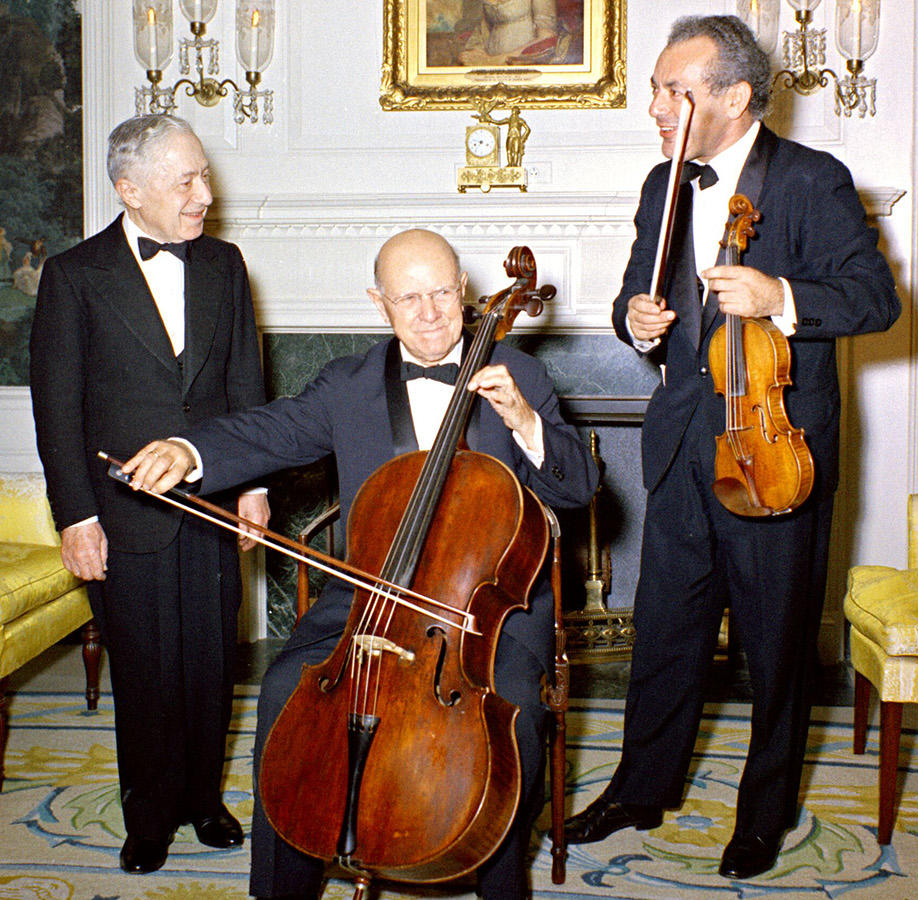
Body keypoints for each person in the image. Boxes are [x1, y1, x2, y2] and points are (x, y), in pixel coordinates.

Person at [120, 228, 599, 900]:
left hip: (487, 614)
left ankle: (499, 884)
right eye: (409, 299)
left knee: (508, 711)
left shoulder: (521, 375)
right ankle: (281, 890)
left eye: (441, 293)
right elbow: (270, 430)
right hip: (368, 597)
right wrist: (188, 451)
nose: (429, 313)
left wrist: (524, 422)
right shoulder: (347, 384)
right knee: (284, 690)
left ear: (463, 290)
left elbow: (580, 487)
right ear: (379, 304)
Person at [561, 15, 900, 881]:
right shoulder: (661, 184)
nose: (656, 107)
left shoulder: (812, 180)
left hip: (775, 452)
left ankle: (764, 813)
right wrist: (636, 321)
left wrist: (779, 294)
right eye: (655, 89)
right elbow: (637, 294)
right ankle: (640, 790)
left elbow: (874, 299)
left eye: (675, 91)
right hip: (682, 443)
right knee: (664, 633)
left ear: (737, 97)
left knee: (775, 644)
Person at [29, 113, 270, 875]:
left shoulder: (226, 264)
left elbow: (245, 384)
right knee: (143, 672)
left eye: (205, 175)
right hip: (122, 515)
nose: (205, 195)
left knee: (210, 663)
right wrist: (76, 516)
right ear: (129, 190)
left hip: (212, 500)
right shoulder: (74, 276)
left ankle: (204, 799)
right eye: (185, 181)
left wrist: (254, 485)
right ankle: (150, 815)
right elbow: (57, 411)